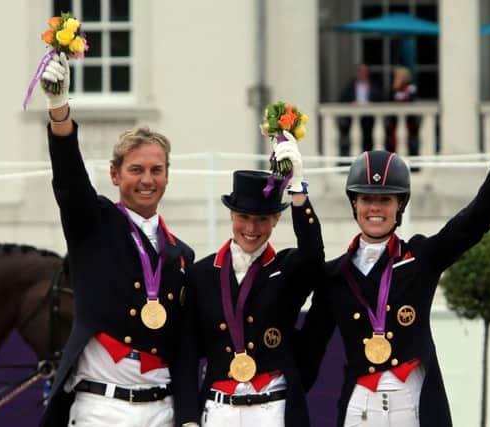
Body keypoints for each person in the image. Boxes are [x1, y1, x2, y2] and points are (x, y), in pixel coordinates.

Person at [297, 120, 490, 426]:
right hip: (360, 407)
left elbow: (472, 223)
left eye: (385, 199)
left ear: (399, 205)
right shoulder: (333, 276)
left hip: (412, 403)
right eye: (367, 198)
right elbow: (309, 352)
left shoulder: (420, 258)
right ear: (354, 203)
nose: (375, 208)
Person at [38, 53, 199, 427]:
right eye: (136, 169)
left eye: (156, 170)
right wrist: (59, 110)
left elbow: (184, 348)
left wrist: (189, 418)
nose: (147, 179)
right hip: (101, 408)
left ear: (167, 176)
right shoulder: (93, 223)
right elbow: (69, 179)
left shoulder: (181, 254)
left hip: (162, 409)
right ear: (114, 174)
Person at [184, 133, 324, 427]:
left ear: (276, 219)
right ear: (232, 214)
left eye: (262, 219)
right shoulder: (201, 274)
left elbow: (313, 255)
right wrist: (187, 418)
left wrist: (298, 189)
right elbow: (185, 352)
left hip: (272, 410)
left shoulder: (286, 268)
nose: (251, 228)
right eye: (243, 217)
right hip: (218, 409)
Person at [338, 64, 382, 159]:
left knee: (369, 136)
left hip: (369, 117)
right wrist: (351, 103)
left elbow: (381, 99)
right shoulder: (351, 85)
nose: (363, 74)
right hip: (353, 117)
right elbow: (343, 98)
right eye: (361, 72)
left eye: (364, 72)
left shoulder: (374, 85)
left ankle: (369, 158)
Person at [384, 66, 420, 158]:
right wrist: (395, 88)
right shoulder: (393, 89)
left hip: (409, 123)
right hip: (395, 123)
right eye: (396, 76)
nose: (397, 78)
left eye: (399, 76)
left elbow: (412, 99)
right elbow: (388, 102)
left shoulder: (411, 87)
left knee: (410, 143)